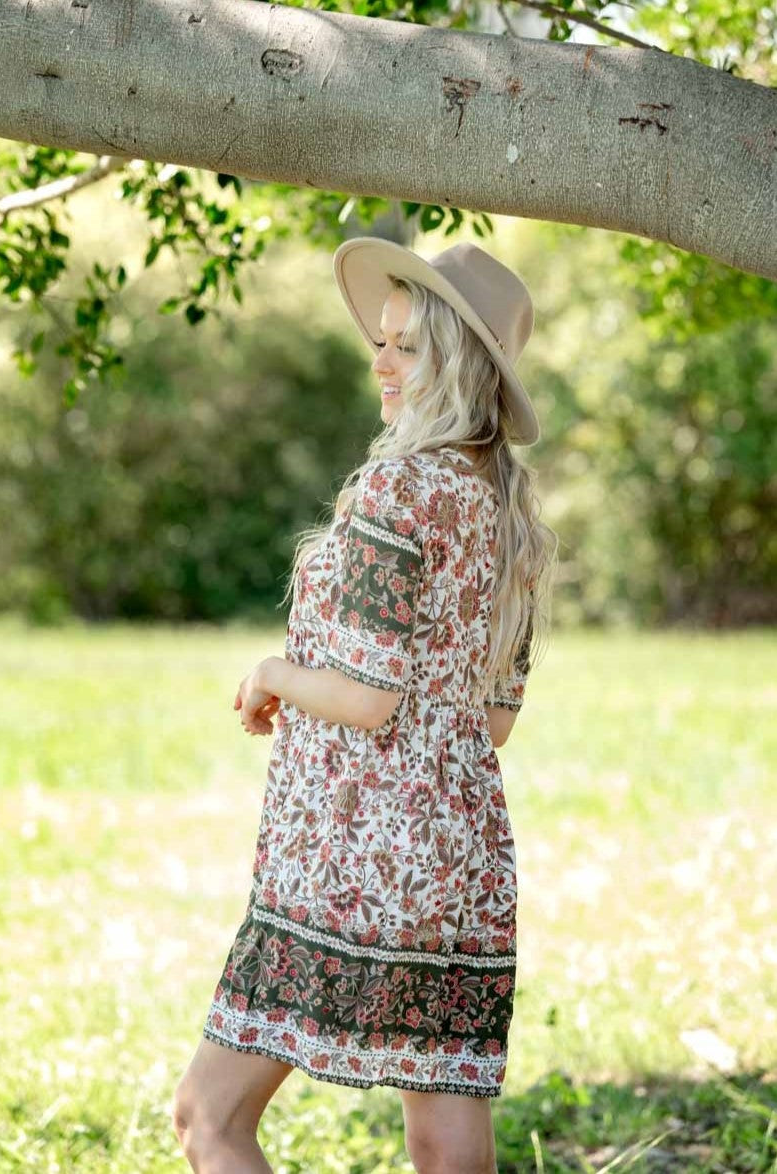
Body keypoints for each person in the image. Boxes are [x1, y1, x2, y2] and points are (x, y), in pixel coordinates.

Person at [172, 236, 560, 1174]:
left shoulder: (396, 489)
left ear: (457, 365)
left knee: (208, 1119)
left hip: (353, 859)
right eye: (380, 341)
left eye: (406, 347)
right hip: (461, 861)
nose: (379, 362)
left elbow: (366, 697)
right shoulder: (510, 515)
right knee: (443, 1142)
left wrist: (272, 671)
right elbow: (492, 723)